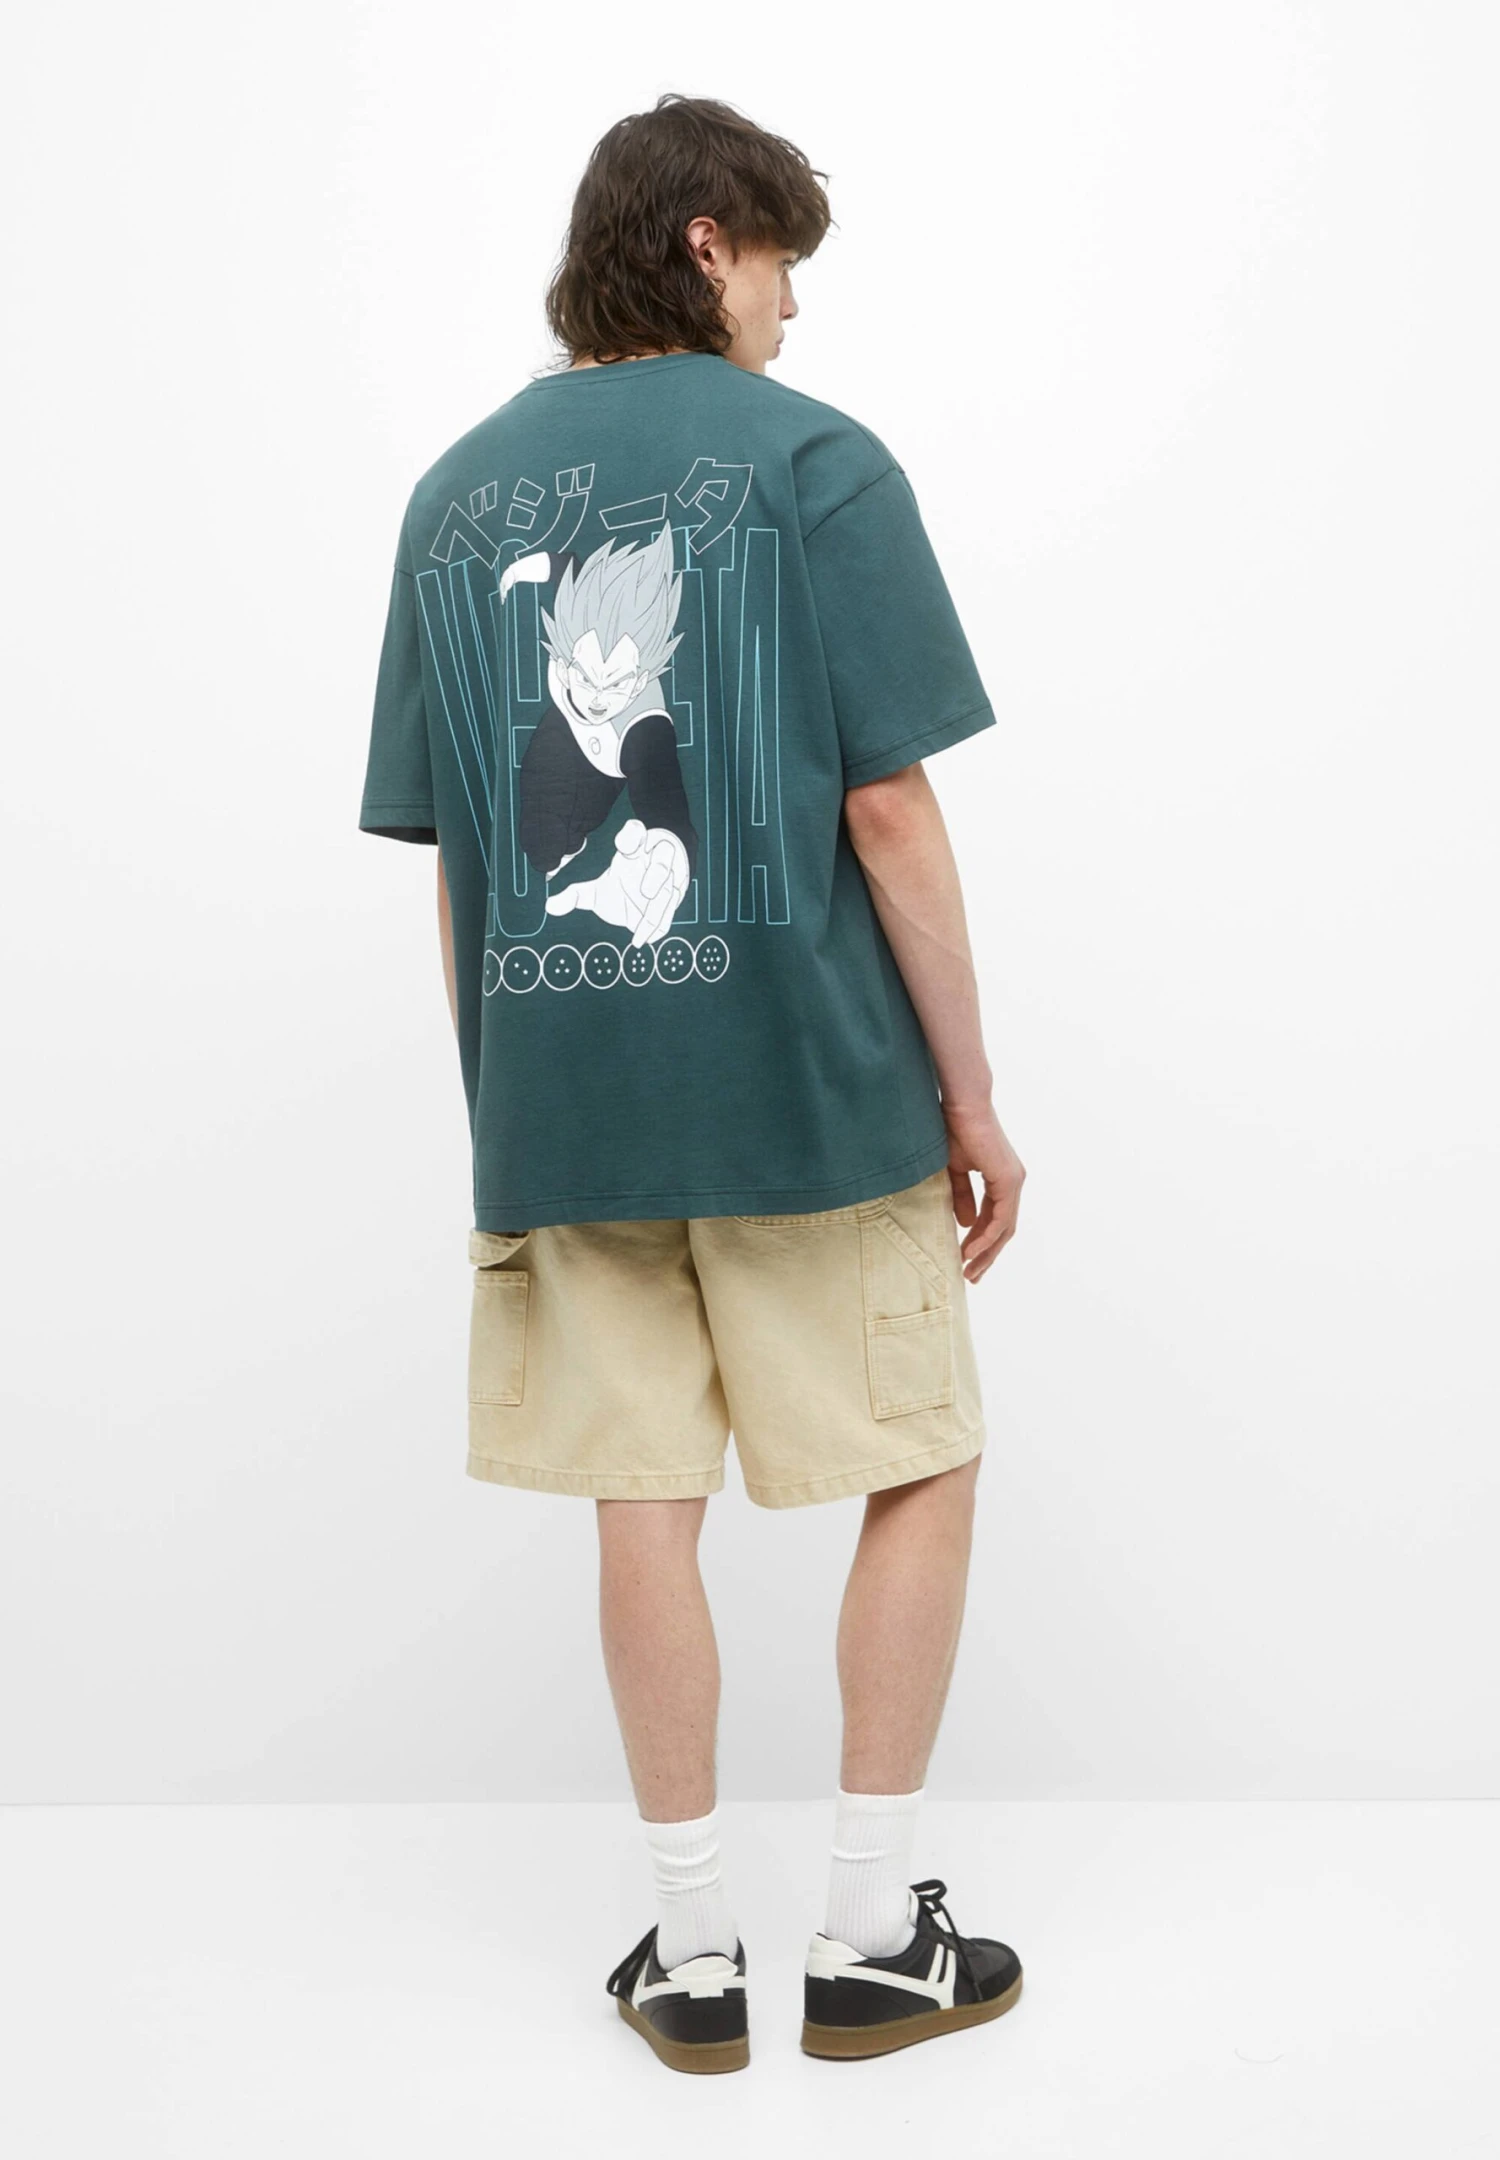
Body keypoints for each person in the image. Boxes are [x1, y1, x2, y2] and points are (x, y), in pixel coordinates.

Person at [358, 92, 1027, 2073]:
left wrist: (511, 1117)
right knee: (920, 1455)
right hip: (813, 1098)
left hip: (565, 1118)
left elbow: (469, 866)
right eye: (785, 267)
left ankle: (692, 1949)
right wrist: (971, 1099)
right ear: (708, 242)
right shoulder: (813, 460)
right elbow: (889, 810)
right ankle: (875, 1934)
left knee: (639, 1500)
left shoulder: (453, 498)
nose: (794, 314)